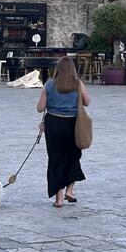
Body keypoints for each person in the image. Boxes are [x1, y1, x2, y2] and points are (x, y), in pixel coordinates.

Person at [36, 57, 90, 208]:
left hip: (54, 124)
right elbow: (87, 101)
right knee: (73, 157)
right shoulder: (77, 84)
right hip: (73, 124)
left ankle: (58, 199)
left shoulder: (49, 84)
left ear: (58, 69)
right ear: (72, 69)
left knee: (55, 159)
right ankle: (70, 191)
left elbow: (40, 108)